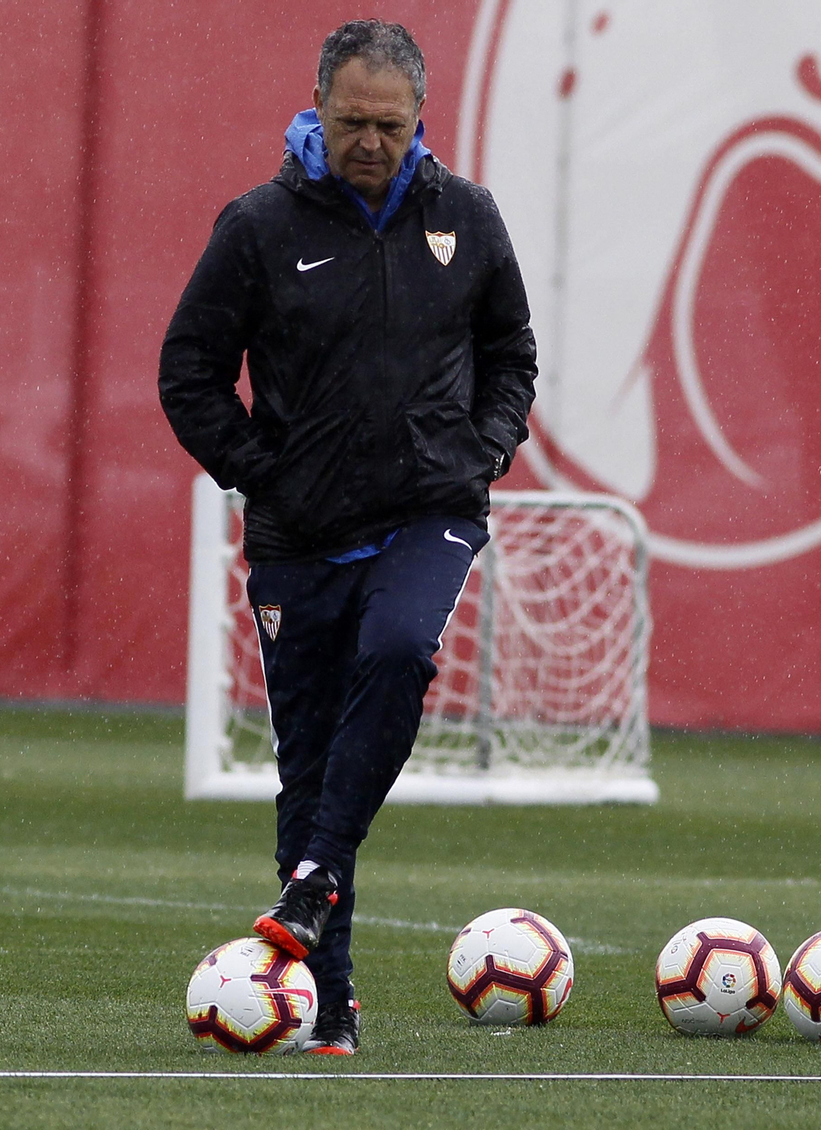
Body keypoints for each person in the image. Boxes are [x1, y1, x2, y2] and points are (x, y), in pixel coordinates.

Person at [158, 19, 537, 1055]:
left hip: (430, 509)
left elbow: (512, 351)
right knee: (308, 757)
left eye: (389, 123)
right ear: (316, 111)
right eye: (351, 121)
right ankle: (327, 1005)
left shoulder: (466, 217)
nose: (370, 140)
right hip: (299, 530)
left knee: (401, 647)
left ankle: (316, 879)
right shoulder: (260, 226)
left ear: (421, 118)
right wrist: (257, 466)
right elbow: (188, 370)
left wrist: (485, 448)